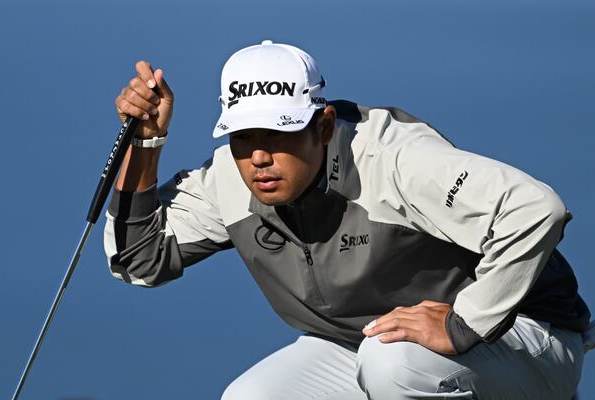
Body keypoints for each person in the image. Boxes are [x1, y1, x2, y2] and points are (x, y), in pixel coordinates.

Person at [106, 40, 591, 399]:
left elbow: (533, 209)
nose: (258, 157)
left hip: (524, 339)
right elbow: (138, 262)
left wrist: (464, 324)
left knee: (394, 365)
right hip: (365, 347)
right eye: (241, 137)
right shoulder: (232, 179)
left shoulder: (391, 157)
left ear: (320, 127)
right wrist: (144, 145)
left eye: (280, 134)